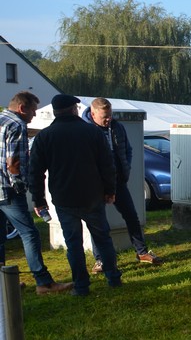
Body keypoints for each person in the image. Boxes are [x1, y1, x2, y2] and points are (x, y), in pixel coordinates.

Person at [29, 94, 122, 296]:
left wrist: (39, 200)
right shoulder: (92, 132)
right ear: (74, 110)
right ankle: (113, 278)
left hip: (64, 198)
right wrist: (110, 190)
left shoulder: (44, 137)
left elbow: (35, 172)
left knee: (73, 244)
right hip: (92, 195)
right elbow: (107, 165)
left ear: (55, 112)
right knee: (103, 239)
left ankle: (81, 286)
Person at [0, 92, 73, 295]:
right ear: (22, 108)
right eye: (32, 110)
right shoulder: (17, 124)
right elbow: (13, 162)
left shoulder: (1, 119)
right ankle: (43, 282)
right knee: (29, 234)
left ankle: (3, 282)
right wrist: (20, 187)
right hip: (7, 190)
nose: (34, 115)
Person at [82, 97, 162, 273]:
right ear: (93, 114)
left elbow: (127, 150)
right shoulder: (85, 130)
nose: (108, 119)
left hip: (118, 181)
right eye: (104, 117)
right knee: (98, 222)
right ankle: (100, 259)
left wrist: (126, 168)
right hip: (95, 184)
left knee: (131, 216)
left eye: (110, 115)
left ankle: (141, 252)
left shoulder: (117, 127)